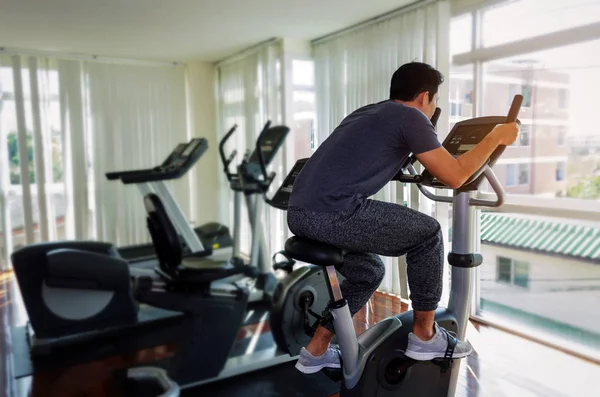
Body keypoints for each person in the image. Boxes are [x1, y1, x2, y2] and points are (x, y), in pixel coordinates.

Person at [287, 62, 520, 374]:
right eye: (435, 101)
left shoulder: (369, 112)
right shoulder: (410, 116)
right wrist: (495, 137)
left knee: (369, 270)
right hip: (332, 212)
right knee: (428, 233)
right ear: (424, 97)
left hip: (300, 214)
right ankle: (425, 336)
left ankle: (316, 350)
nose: (433, 107)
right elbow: (454, 176)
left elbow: (362, 157)